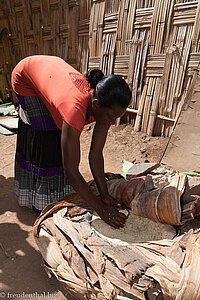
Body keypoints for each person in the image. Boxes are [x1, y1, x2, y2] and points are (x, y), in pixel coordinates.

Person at [11, 55, 131, 228]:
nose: (112, 122)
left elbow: (96, 154)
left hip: (50, 74)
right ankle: (38, 200)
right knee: (47, 142)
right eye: (112, 117)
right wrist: (101, 210)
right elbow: (71, 169)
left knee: (61, 142)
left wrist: (103, 194)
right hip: (26, 77)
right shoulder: (75, 109)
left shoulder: (103, 108)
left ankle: (55, 194)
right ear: (96, 105)